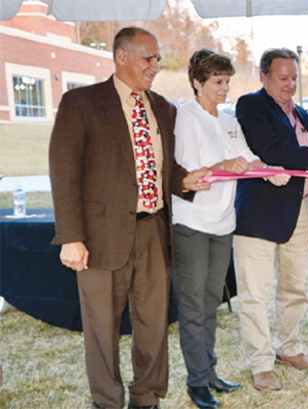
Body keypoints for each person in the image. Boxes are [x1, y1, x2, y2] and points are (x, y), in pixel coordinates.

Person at [49, 27, 210, 409]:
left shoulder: (163, 108)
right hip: (100, 237)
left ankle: (147, 397)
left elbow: (163, 168)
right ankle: (106, 401)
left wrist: (185, 180)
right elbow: (64, 170)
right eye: (148, 58)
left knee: (154, 325)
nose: (156, 65)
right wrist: (71, 236)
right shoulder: (82, 102)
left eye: (157, 58)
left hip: (154, 231)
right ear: (121, 57)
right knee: (102, 329)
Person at [171, 49, 290, 408]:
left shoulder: (227, 118)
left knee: (211, 303)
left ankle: (210, 372)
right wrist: (228, 163)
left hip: (224, 224)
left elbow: (248, 158)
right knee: (193, 306)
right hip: (192, 223)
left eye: (227, 82)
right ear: (197, 83)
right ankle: (197, 382)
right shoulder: (185, 118)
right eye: (218, 82)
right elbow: (194, 171)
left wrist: (271, 170)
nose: (225, 89)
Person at [234, 48, 308, 391]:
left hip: (300, 213)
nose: (289, 84)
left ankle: (290, 348)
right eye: (282, 78)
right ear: (263, 77)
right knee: (256, 293)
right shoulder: (251, 106)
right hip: (259, 216)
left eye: (294, 77)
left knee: (295, 289)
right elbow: (272, 151)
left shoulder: (301, 114)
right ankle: (261, 364)